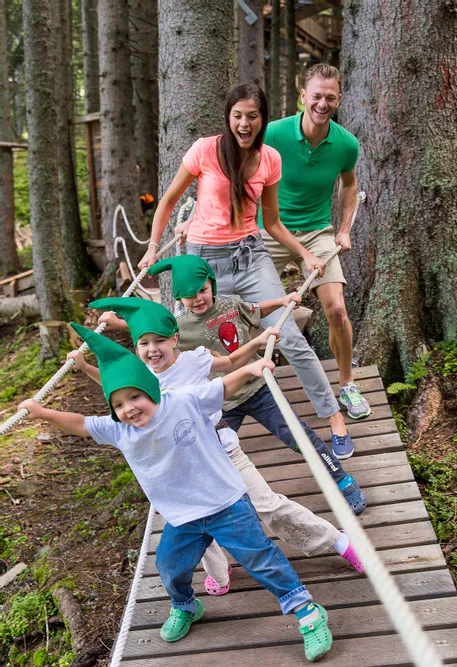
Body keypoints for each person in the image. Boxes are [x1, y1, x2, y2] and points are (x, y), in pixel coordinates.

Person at [19, 324, 333, 662]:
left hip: (226, 503)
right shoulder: (119, 430)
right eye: (119, 404)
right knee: (169, 565)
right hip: (183, 516)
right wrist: (42, 413)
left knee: (259, 558)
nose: (130, 408)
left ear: (151, 390)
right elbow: (81, 423)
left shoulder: (182, 401)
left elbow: (222, 386)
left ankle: (306, 610)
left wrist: (250, 369)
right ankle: (185, 606)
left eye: (135, 397)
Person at [73, 296, 365, 595]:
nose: (152, 349)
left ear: (174, 339)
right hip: (184, 466)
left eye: (159, 341)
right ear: (135, 347)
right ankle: (219, 571)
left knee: (267, 505)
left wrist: (257, 344)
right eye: (143, 343)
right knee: (195, 521)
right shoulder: (139, 376)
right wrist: (84, 366)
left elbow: (230, 363)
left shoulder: (193, 360)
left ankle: (337, 541)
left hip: (223, 452)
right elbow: (115, 387)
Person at [137, 83, 355, 461]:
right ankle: (193, 433)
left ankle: (333, 416)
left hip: (251, 256)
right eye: (237, 115)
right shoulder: (205, 150)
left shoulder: (270, 158)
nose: (244, 123)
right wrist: (153, 248)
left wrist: (305, 254)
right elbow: (169, 200)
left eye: (252, 116)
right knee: (194, 346)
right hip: (204, 265)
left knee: (289, 336)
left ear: (262, 120)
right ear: (228, 117)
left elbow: (272, 221)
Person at [101, 254, 367, 514]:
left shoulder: (231, 304)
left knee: (299, 436)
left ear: (212, 285)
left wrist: (282, 301)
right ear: (179, 298)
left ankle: (341, 480)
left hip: (257, 388)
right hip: (221, 402)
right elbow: (153, 334)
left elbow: (257, 310)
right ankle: (218, 507)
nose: (198, 298)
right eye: (189, 295)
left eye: (202, 290)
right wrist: (118, 324)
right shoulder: (179, 327)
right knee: (211, 453)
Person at [258, 63, 370, 424]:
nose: (323, 103)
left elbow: (349, 184)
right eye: (317, 96)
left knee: (336, 310)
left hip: (318, 232)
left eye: (330, 97)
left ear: (339, 99)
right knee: (248, 309)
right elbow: (243, 171)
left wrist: (344, 229)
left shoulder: (346, 143)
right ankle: (247, 387)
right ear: (303, 95)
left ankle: (348, 384)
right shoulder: (273, 133)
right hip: (270, 230)